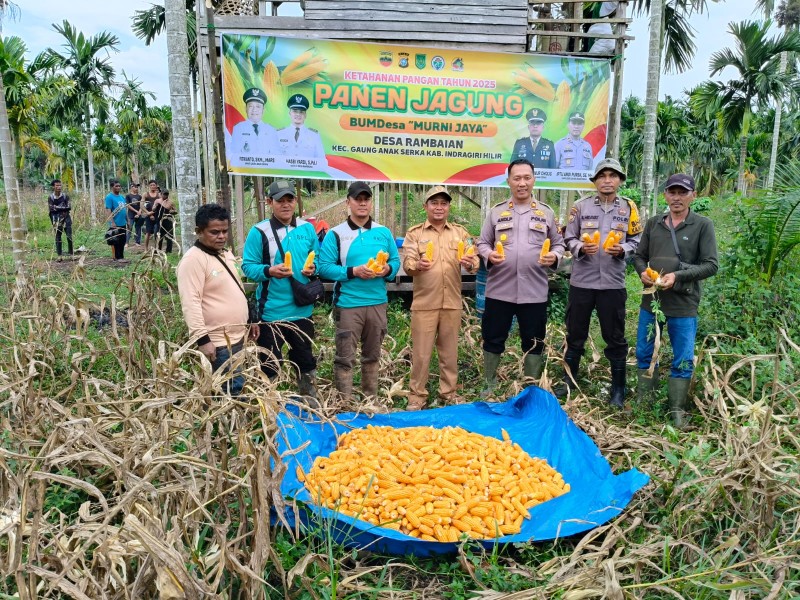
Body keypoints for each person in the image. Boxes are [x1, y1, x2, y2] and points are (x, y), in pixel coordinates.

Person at [555, 158, 642, 408]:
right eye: (602, 176)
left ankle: (618, 389)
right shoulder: (580, 207)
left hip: (613, 285)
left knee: (615, 337)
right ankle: (569, 381)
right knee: (575, 333)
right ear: (594, 181)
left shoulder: (628, 208)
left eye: (612, 176)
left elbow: (637, 239)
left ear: (620, 181)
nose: (607, 180)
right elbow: (568, 236)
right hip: (582, 282)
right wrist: (581, 247)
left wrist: (623, 249)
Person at [633, 174, 718, 428]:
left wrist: (677, 276)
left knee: (682, 356)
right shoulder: (654, 223)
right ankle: (644, 402)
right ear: (665, 195)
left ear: (693, 195)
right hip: (653, 301)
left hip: (683, 303)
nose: (677, 197)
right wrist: (643, 273)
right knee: (645, 352)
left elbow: (711, 265)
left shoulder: (702, 225)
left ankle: (677, 410)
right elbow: (639, 256)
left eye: (683, 192)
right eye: (672, 192)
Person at [476, 159, 565, 396]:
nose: (522, 183)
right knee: (493, 338)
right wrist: (488, 254)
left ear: (533, 180)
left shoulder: (546, 212)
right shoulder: (496, 212)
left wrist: (554, 257)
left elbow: (559, 244)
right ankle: (489, 384)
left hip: (534, 291)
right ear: (509, 181)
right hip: (499, 290)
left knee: (534, 341)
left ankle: (530, 388)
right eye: (517, 178)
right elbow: (482, 242)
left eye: (527, 177)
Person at [318, 181, 401, 402]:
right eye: (357, 199)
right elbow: (323, 267)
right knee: (345, 357)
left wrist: (387, 269)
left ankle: (369, 401)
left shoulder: (383, 232)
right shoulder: (335, 234)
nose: (362, 203)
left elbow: (395, 261)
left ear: (371, 202)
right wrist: (354, 271)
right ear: (348, 202)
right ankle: (344, 404)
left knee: (372, 355)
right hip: (348, 304)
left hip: (377, 302)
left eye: (366, 199)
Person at [241, 180, 321, 404]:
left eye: (290, 200)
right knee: (270, 363)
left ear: (295, 201)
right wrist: (269, 270)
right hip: (271, 312)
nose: (286, 205)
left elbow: (319, 258)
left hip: (302, 310)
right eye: (280, 201)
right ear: (269, 202)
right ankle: (270, 406)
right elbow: (247, 266)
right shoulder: (259, 232)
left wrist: (314, 268)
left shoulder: (306, 229)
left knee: (305, 361)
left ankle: (309, 404)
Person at [402, 185, 479, 410]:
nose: (439, 207)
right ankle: (417, 396)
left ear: (448, 207)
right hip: (425, 303)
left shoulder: (460, 233)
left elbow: (474, 261)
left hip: (452, 303)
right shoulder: (415, 233)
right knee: (421, 354)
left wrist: (470, 263)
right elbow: (408, 264)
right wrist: (417, 265)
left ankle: (449, 393)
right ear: (425, 206)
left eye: (443, 203)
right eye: (434, 203)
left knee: (450, 353)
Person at [177, 204, 258, 396]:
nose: (221, 236)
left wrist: (250, 320)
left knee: (239, 385)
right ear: (199, 231)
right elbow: (190, 303)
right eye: (214, 232)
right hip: (218, 342)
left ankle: (238, 423)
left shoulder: (225, 253)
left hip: (237, 336)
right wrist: (203, 340)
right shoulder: (193, 260)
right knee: (229, 391)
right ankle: (231, 424)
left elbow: (235, 288)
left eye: (224, 231)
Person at [277, 94, 327, 165]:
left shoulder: (314, 135)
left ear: (305, 115)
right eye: (295, 111)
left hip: (307, 174)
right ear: (289, 113)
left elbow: (321, 160)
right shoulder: (279, 134)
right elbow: (274, 158)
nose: (298, 114)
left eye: (301, 112)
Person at [230, 87, 279, 159]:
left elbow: (277, 156)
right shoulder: (238, 129)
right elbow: (234, 155)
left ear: (263, 110)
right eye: (251, 106)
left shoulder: (271, 130)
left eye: (258, 107)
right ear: (245, 109)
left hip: (267, 169)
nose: (254, 110)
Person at [48, 179, 73, 259]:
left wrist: (57, 207)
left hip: (66, 218)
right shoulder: (51, 197)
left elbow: (69, 207)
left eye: (60, 185)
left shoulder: (65, 196)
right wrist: (63, 208)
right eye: (57, 185)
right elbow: (51, 209)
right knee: (58, 237)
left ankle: (71, 254)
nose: (59, 187)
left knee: (69, 236)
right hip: (56, 219)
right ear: (53, 187)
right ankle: (59, 255)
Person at [104, 179, 128, 262]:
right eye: (116, 186)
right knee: (116, 241)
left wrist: (127, 220)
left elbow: (125, 209)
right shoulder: (109, 197)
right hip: (115, 223)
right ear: (112, 187)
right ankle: (117, 257)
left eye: (119, 186)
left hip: (123, 222)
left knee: (123, 240)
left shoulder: (121, 197)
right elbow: (108, 210)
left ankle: (121, 256)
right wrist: (112, 222)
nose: (118, 187)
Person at [141, 180, 161, 251]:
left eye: (154, 185)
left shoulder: (159, 195)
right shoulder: (145, 194)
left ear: (156, 186)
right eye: (151, 185)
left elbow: (161, 205)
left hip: (157, 216)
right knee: (148, 232)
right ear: (149, 186)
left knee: (157, 232)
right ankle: (146, 248)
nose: (153, 186)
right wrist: (148, 213)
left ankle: (157, 248)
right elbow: (141, 205)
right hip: (148, 216)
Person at [125, 182, 143, 246]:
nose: (136, 188)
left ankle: (137, 242)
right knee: (129, 228)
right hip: (130, 214)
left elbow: (141, 205)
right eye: (135, 187)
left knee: (138, 228)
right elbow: (128, 205)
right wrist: (136, 211)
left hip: (138, 215)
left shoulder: (140, 196)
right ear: (131, 187)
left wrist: (139, 212)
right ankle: (126, 242)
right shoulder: (128, 196)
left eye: (137, 187)